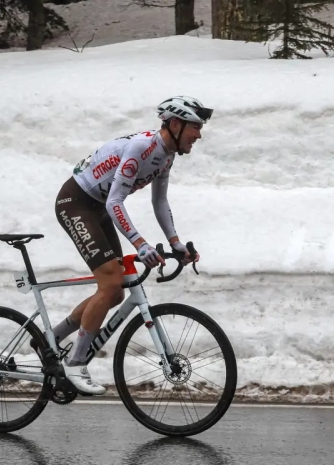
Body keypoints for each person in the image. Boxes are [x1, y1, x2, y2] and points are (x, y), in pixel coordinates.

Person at [47, 96, 211, 395]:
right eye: (195, 127)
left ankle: (49, 339)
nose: (198, 134)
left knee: (115, 291)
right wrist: (140, 243)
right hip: (77, 203)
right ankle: (74, 364)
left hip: (98, 207)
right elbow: (115, 201)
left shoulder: (167, 155)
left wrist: (175, 244)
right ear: (175, 124)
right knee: (110, 283)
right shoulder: (143, 148)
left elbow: (159, 201)